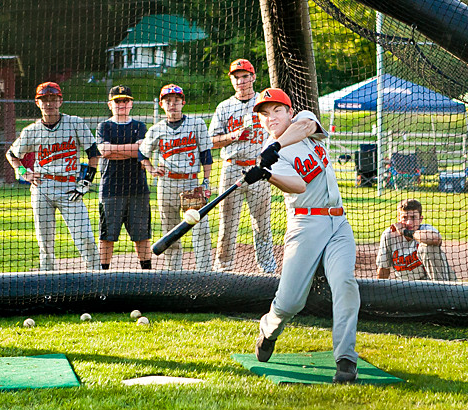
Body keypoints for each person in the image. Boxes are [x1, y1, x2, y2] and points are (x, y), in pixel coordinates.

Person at [245, 88, 360, 383]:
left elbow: (307, 126)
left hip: (338, 223)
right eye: (265, 114)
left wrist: (276, 145)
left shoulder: (304, 122)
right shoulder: (271, 155)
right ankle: (269, 328)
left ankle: (346, 359)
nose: (271, 118)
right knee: (290, 302)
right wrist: (268, 173)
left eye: (277, 111)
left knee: (345, 283)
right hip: (305, 226)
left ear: (289, 111)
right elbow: (297, 186)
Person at [6, 82, 101, 271]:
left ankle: (97, 277)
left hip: (70, 188)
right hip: (43, 187)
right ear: (37, 103)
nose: (49, 103)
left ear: (60, 101)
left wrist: (86, 181)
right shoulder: (31, 131)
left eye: (53, 99)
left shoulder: (75, 123)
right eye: (44, 100)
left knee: (85, 237)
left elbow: (94, 152)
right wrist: (24, 173)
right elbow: (12, 155)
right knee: (45, 242)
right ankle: (46, 281)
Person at [209, 59, 276, 273]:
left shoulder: (264, 103)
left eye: (245, 76)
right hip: (232, 168)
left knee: (262, 224)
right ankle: (224, 268)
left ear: (253, 77)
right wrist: (232, 136)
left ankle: (267, 269)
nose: (241, 81)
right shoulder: (224, 106)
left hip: (259, 170)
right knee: (227, 224)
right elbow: (211, 141)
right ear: (231, 80)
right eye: (236, 77)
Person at [139, 84, 213, 271]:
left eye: (176, 101)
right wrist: (151, 169)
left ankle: (204, 271)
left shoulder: (197, 124)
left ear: (183, 103)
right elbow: (142, 154)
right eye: (168, 101)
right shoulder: (156, 129)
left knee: (200, 228)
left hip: (191, 183)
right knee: (170, 230)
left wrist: (206, 181)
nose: (172, 105)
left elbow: (206, 154)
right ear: (162, 104)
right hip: (167, 184)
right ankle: (174, 272)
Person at [96, 85, 152, 270]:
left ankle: (147, 272)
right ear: (109, 104)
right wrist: (131, 150)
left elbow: (141, 151)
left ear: (131, 103)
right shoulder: (104, 126)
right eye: (117, 101)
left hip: (137, 189)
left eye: (125, 100)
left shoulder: (139, 126)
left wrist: (115, 150)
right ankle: (103, 274)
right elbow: (103, 151)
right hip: (111, 189)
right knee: (107, 235)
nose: (121, 104)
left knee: (142, 235)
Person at [376, 198, 455, 281]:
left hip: (435, 284)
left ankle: (441, 290)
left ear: (420, 219)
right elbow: (384, 268)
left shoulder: (426, 230)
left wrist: (405, 232)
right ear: (398, 219)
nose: (409, 222)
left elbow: (436, 239)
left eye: (413, 217)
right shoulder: (389, 235)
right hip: (408, 287)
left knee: (428, 247)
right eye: (405, 218)